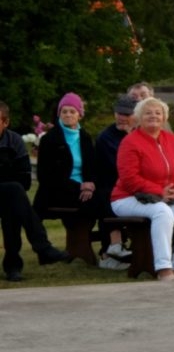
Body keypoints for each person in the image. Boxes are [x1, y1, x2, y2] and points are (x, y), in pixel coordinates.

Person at [32, 92, 129, 271]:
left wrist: (90, 184)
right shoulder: (49, 140)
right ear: (59, 114)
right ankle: (110, 251)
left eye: (72, 112)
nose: (68, 115)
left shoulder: (84, 136)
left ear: (79, 114)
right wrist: (80, 186)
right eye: (64, 112)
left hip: (85, 190)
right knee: (103, 201)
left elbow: (92, 165)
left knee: (109, 196)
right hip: (57, 192)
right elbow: (47, 176)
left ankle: (112, 249)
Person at [110, 97, 174, 282]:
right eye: (148, 113)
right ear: (138, 117)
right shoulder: (130, 142)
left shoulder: (173, 140)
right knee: (163, 212)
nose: (153, 116)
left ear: (164, 117)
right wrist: (159, 190)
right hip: (128, 197)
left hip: (167, 196)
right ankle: (164, 268)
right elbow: (129, 179)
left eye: (158, 113)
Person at [0, 101, 69, 282]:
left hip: (8, 197)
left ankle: (13, 266)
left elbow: (24, 181)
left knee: (13, 202)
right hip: (9, 191)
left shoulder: (14, 141)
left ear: (5, 122)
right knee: (13, 192)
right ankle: (42, 248)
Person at [93, 94, 138, 262]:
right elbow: (120, 168)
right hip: (112, 185)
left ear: (136, 116)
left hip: (137, 185)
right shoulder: (106, 137)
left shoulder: (143, 134)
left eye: (126, 114)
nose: (121, 118)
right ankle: (112, 247)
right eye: (119, 113)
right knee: (109, 194)